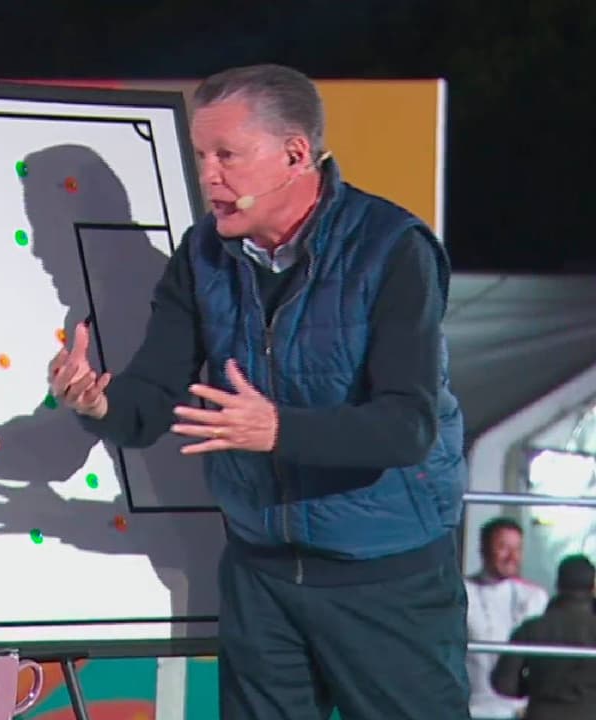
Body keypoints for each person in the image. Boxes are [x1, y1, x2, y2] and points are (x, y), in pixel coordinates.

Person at [49, 63, 471, 718]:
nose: (208, 176)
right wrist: (97, 402)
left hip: (385, 576)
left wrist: (278, 430)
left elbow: (407, 427)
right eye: (201, 156)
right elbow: (149, 401)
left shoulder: (392, 249)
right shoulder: (202, 255)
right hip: (261, 576)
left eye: (227, 155)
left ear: (295, 155)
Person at [491, 554, 596, 720]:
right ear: (592, 587)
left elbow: (503, 683)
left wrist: (533, 686)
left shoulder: (531, 629)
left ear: (558, 584)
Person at [466, 517, 551, 719]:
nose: (512, 556)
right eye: (503, 547)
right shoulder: (463, 593)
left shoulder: (535, 596)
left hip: (521, 711)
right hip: (474, 708)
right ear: (484, 549)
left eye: (517, 549)